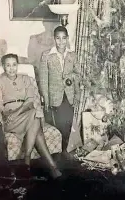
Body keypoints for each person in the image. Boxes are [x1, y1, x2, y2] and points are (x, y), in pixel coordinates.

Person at [0, 54, 62, 179]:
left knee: (34, 114)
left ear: (17, 65)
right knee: (37, 125)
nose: (11, 68)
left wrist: (17, 113)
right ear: (3, 67)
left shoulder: (26, 79)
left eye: (14, 65)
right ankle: (50, 166)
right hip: (10, 118)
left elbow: (30, 100)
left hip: (24, 113)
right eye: (8, 65)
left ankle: (28, 160)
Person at [39, 26, 80, 157]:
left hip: (69, 94)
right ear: (54, 39)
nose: (61, 42)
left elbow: (78, 74)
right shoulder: (47, 56)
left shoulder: (72, 55)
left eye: (63, 38)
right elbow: (44, 79)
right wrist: (46, 98)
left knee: (68, 122)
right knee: (58, 122)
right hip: (55, 95)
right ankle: (59, 151)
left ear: (67, 39)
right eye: (58, 38)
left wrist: (72, 77)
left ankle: (66, 149)